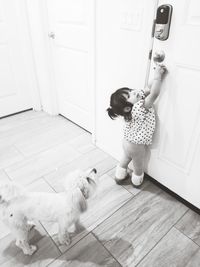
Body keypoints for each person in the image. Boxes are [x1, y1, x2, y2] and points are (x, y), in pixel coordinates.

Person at [106, 64, 166, 187]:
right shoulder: (139, 107)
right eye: (130, 95)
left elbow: (148, 88)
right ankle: (136, 181)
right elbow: (154, 93)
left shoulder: (129, 110)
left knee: (125, 158)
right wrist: (158, 77)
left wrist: (153, 76)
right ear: (128, 107)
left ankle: (119, 175)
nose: (134, 92)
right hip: (136, 147)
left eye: (130, 91)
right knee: (138, 165)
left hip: (127, 142)